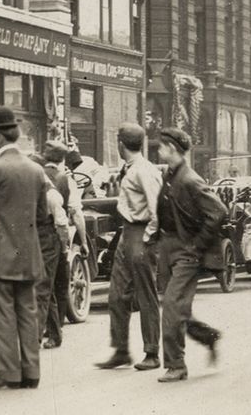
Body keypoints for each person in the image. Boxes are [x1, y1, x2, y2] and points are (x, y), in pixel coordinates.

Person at [0, 107, 49, 390]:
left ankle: (7, 373)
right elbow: (42, 215)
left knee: (0, 313)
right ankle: (31, 371)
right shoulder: (36, 169)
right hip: (28, 252)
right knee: (27, 311)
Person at [153, 127, 227, 383]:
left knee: (172, 306)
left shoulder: (189, 179)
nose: (158, 150)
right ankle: (208, 336)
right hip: (170, 247)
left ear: (172, 149)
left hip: (186, 251)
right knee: (178, 307)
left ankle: (176, 365)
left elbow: (218, 211)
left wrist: (197, 245)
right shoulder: (171, 175)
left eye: (161, 146)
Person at [96, 123, 163, 371]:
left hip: (141, 233)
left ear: (120, 144)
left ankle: (152, 352)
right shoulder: (130, 168)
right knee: (117, 294)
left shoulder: (144, 171)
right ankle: (121, 350)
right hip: (128, 233)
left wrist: (147, 237)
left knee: (146, 295)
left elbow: (157, 210)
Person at [33, 148, 72, 349]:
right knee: (45, 289)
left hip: (49, 239)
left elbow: (62, 224)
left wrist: (64, 249)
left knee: (42, 288)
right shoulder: (38, 190)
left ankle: (35, 338)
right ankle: (55, 334)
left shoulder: (51, 195)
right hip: (38, 239)